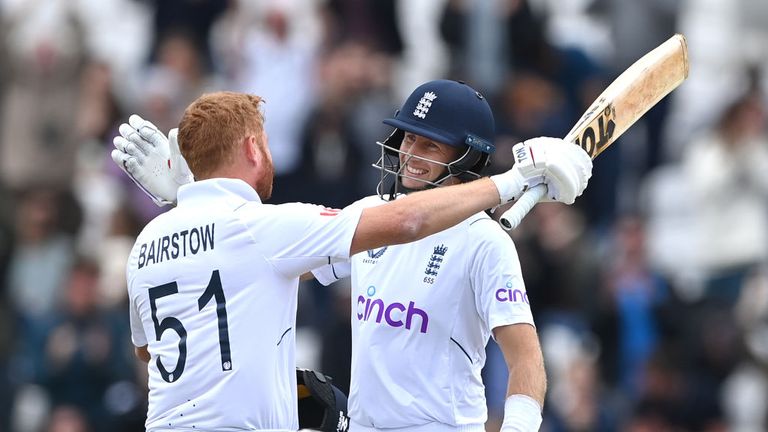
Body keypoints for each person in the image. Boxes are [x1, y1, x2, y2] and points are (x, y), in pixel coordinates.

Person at [111, 89, 592, 431]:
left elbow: (527, 361)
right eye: (406, 138)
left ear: (467, 156)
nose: (409, 153)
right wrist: (194, 204)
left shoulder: (488, 243)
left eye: (429, 143)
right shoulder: (368, 214)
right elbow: (249, 257)